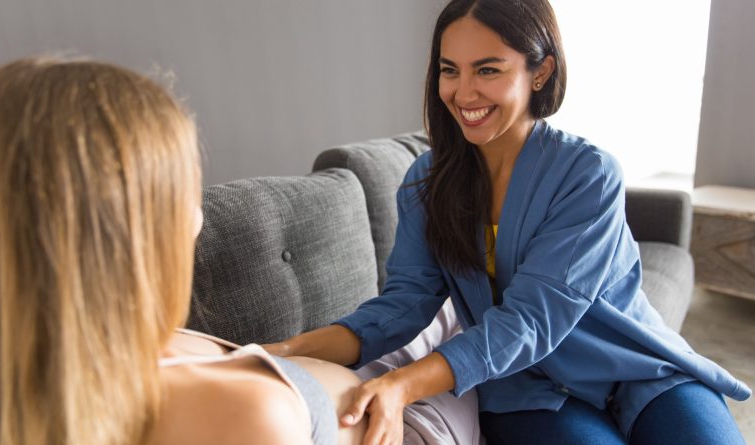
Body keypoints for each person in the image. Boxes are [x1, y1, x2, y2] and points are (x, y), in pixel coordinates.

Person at [265, 1, 752, 444]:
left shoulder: (588, 174)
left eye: (488, 70)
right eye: (449, 70)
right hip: (525, 387)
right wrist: (285, 348)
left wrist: (399, 385)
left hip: (637, 370)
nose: (464, 91)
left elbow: (533, 319)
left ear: (540, 72)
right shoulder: (426, 181)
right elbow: (403, 305)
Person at [0, 57, 367, 445]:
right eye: (182, 194)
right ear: (123, 236)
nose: (199, 219)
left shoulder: (96, 347)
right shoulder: (241, 414)